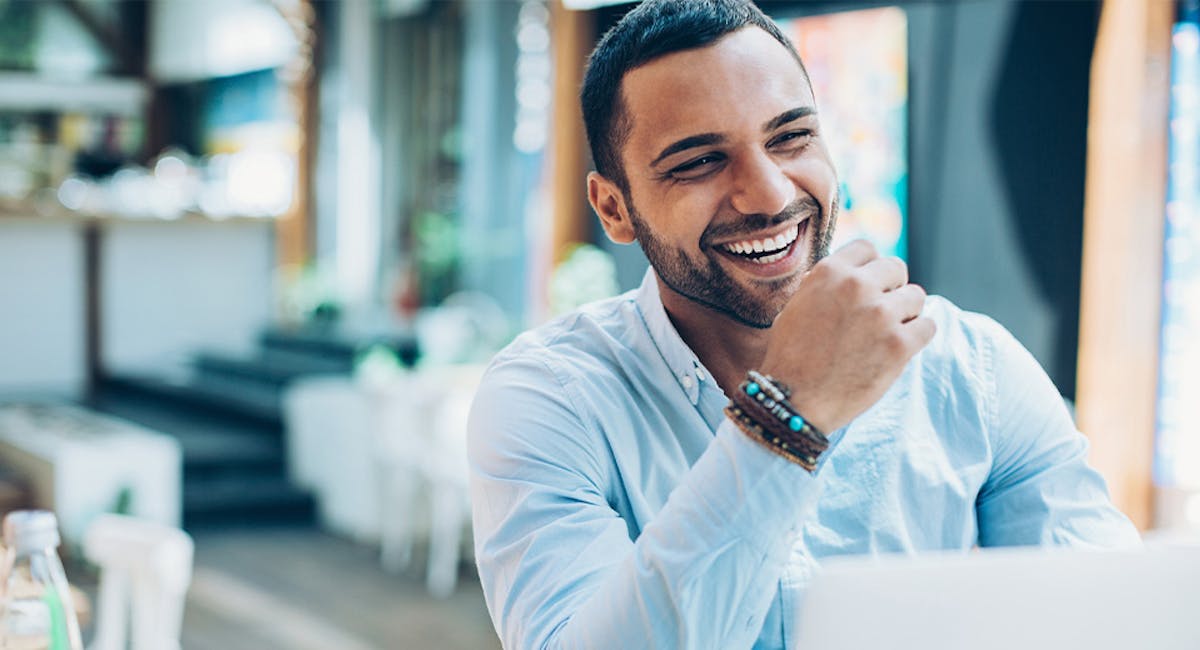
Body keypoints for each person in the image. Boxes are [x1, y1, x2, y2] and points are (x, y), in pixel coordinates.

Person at [467, 0, 1140, 648]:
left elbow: (1108, 622)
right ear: (614, 209)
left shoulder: (973, 370)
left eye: (791, 136)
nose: (770, 195)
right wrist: (786, 416)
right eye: (699, 162)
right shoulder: (550, 398)